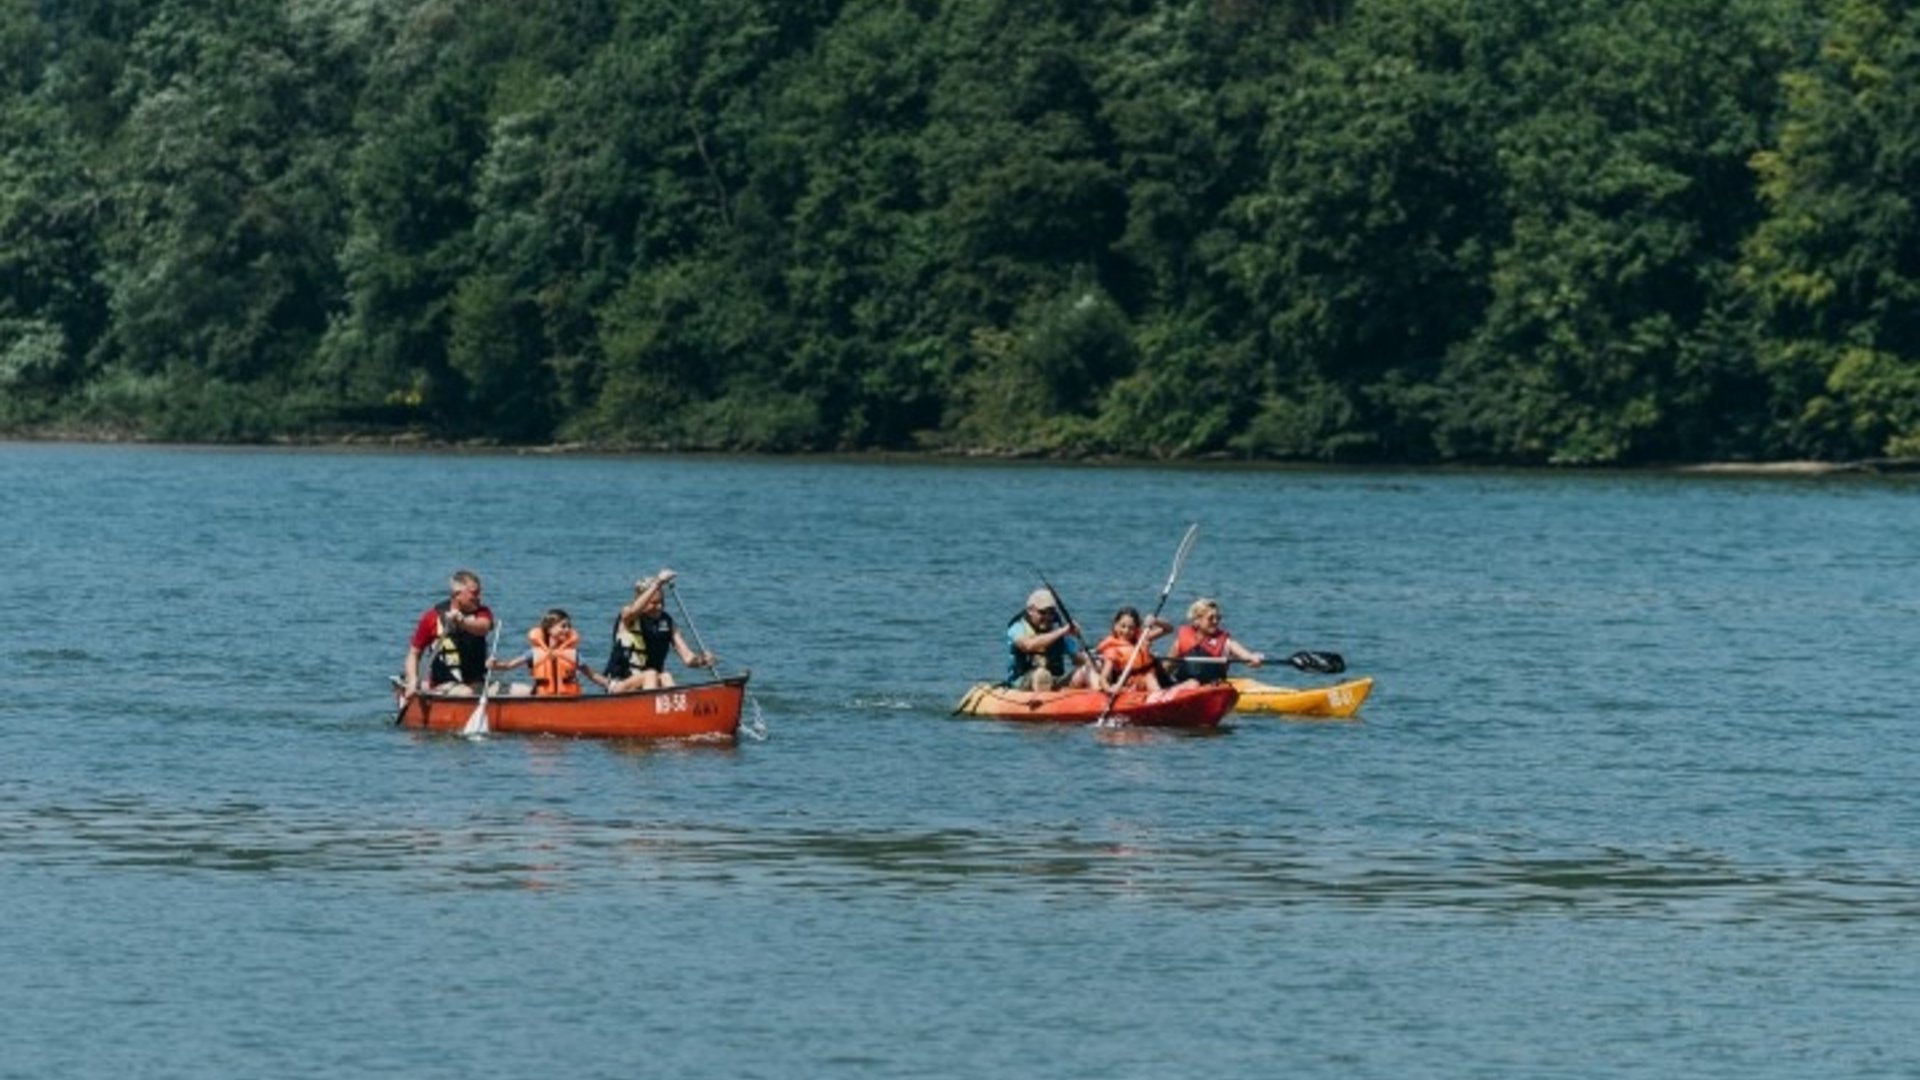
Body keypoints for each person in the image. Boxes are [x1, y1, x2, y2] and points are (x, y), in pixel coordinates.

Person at [605, 569, 713, 691]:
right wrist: (658, 582)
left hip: (650, 683)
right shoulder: (628, 616)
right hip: (620, 683)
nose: (659, 607)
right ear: (642, 600)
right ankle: (649, 707)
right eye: (654, 603)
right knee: (650, 674)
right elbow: (633, 610)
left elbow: (688, 658)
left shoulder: (667, 622)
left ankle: (675, 708)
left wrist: (702, 660)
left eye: (662, 602)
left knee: (666, 676)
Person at [403, 569, 495, 697]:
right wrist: (412, 680)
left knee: (524, 691)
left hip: (477, 683)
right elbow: (414, 653)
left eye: (480, 592)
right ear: (457, 594)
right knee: (466, 693)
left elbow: (483, 627)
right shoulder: (432, 617)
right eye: (474, 593)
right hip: (444, 685)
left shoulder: (483, 612)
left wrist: (461, 621)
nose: (479, 597)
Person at [489, 608, 609, 695]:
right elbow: (509, 665)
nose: (567, 630)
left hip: (569, 700)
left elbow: (592, 675)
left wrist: (611, 685)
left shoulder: (573, 654)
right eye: (563, 626)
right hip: (543, 699)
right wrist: (495, 665)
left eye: (569, 626)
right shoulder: (534, 653)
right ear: (549, 629)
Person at [1005, 587, 1095, 691]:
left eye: (1051, 612)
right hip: (1023, 681)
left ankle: (1103, 701)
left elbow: (1077, 659)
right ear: (1030, 610)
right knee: (1041, 675)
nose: (1048, 617)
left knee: (1087, 670)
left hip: (1055, 679)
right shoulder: (1017, 628)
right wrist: (1063, 631)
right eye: (1042, 612)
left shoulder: (1059, 632)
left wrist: (1094, 660)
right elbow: (1028, 645)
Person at [1168, 597, 1264, 684]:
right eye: (1211, 618)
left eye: (1218, 618)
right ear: (1197, 620)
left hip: (1214, 688)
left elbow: (1246, 656)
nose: (1215, 621)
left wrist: (1253, 658)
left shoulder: (1226, 643)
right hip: (1184, 688)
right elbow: (1167, 668)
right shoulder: (1180, 642)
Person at [1094, 606, 1173, 692]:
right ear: (1115, 626)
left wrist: (1156, 621)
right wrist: (1109, 689)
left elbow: (1168, 629)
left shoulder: (1142, 638)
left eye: (1131, 628)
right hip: (1132, 684)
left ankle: (1162, 694)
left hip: (1154, 676)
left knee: (1150, 676)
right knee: (1149, 678)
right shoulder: (1113, 650)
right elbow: (1103, 678)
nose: (1126, 631)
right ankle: (1160, 698)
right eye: (1123, 626)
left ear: (1136, 629)